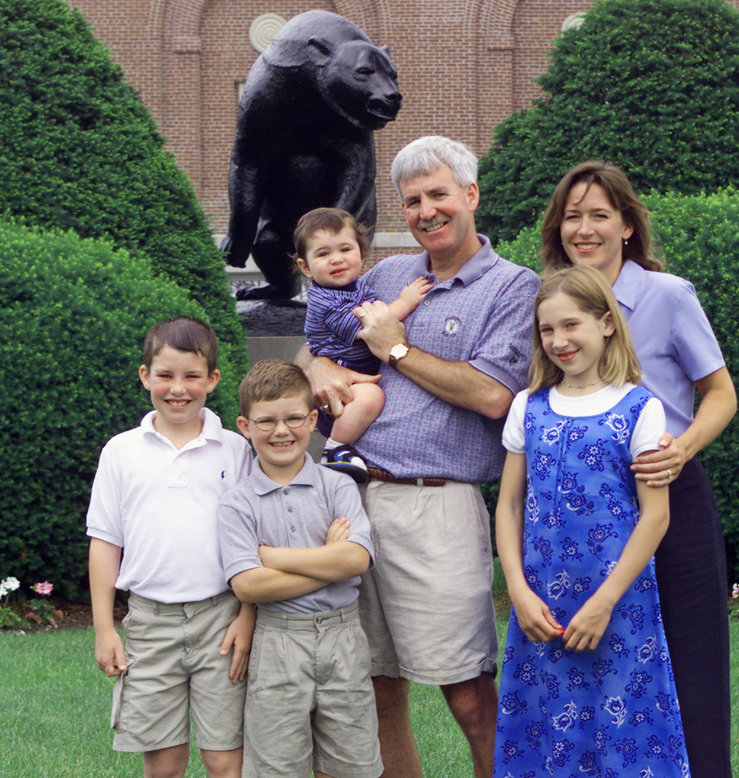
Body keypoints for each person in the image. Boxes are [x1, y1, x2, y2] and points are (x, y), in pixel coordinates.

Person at [299, 136, 540, 777]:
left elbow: (493, 395)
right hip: (352, 502)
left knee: (466, 692)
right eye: (411, 201)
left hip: (438, 504)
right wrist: (320, 363)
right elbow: (314, 348)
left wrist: (398, 350)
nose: (426, 211)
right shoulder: (382, 276)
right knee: (373, 685)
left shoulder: (514, 288)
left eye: (438, 195)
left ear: (470, 195)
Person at [540, 159, 737, 777]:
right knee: (596, 662)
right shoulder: (549, 302)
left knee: (691, 660)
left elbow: (721, 393)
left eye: (600, 214)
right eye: (573, 216)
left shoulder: (667, 294)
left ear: (627, 224)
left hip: (668, 494)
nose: (585, 228)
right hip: (584, 508)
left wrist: (684, 447)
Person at [493, 265, 690, 776]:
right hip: (541, 606)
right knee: (544, 729)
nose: (558, 340)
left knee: (622, 730)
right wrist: (516, 589)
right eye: (547, 329)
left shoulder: (640, 409)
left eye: (571, 325)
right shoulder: (527, 407)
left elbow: (655, 517)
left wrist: (603, 604)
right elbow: (510, 505)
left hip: (618, 606)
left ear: (606, 323)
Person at [86, 316, 254, 778]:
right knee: (164, 764)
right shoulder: (121, 451)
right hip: (149, 623)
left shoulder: (236, 450)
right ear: (145, 377)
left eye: (191, 376)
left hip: (221, 622)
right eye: (165, 375)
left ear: (213, 380)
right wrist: (104, 628)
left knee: (224, 760)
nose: (177, 388)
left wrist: (247, 615)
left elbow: (253, 544)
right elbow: (105, 542)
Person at [217, 359, 382, 778]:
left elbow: (356, 559)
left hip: (343, 638)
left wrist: (274, 558)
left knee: (351, 764)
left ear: (312, 419)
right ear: (244, 425)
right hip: (278, 643)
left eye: (293, 418)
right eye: (266, 421)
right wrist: (329, 562)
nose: (281, 431)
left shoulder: (338, 485)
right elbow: (249, 587)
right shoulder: (238, 503)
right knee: (277, 765)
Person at [294, 207, 432, 482]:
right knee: (373, 397)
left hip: (355, 370)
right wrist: (405, 302)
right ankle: (334, 450)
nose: (336, 259)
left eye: (345, 249)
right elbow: (370, 328)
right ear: (305, 267)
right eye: (323, 254)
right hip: (343, 378)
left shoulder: (354, 287)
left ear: (362, 253)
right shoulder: (326, 300)